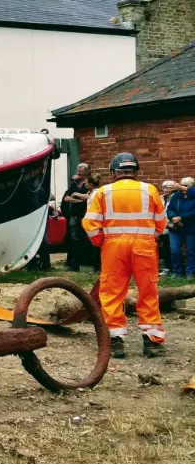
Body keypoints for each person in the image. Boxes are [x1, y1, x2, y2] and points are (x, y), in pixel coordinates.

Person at [82, 153, 167, 359]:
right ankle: (151, 340)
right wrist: (148, 238)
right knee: (148, 291)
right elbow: (161, 223)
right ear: (135, 171)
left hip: (114, 246)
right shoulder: (150, 190)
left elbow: (91, 224)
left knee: (112, 292)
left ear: (113, 172)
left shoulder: (103, 192)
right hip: (144, 246)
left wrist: (101, 242)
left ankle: (115, 340)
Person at [61, 163, 91, 271]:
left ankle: (86, 263)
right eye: (77, 170)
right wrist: (79, 200)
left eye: (80, 171)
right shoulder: (74, 184)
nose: (77, 172)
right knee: (73, 239)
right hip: (74, 217)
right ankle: (73, 264)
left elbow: (90, 197)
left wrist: (76, 195)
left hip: (86, 216)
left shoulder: (89, 184)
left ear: (86, 172)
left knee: (86, 240)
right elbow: (66, 198)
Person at [166, 176, 195, 278]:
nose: (182, 188)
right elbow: (170, 208)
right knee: (175, 250)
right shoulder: (176, 196)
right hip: (175, 228)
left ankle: (190, 272)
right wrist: (174, 217)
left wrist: (181, 218)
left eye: (185, 186)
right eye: (181, 185)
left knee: (191, 251)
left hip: (191, 228)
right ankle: (176, 271)